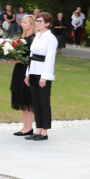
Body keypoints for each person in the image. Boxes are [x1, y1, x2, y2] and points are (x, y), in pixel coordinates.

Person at [23, 12, 58, 141]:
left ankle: (44, 131)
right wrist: (28, 73)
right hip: (33, 70)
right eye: (36, 21)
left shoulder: (51, 38)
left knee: (44, 102)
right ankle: (38, 129)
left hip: (43, 73)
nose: (37, 23)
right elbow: (31, 57)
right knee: (36, 102)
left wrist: (44, 77)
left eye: (40, 21)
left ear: (47, 23)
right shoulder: (37, 36)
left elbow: (49, 59)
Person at [9, 15, 36, 136]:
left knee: (28, 99)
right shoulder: (24, 38)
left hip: (27, 70)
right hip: (19, 70)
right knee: (21, 98)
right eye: (22, 22)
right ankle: (25, 125)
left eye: (25, 22)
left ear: (31, 24)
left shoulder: (33, 39)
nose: (22, 24)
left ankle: (29, 126)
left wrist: (14, 59)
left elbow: (29, 57)